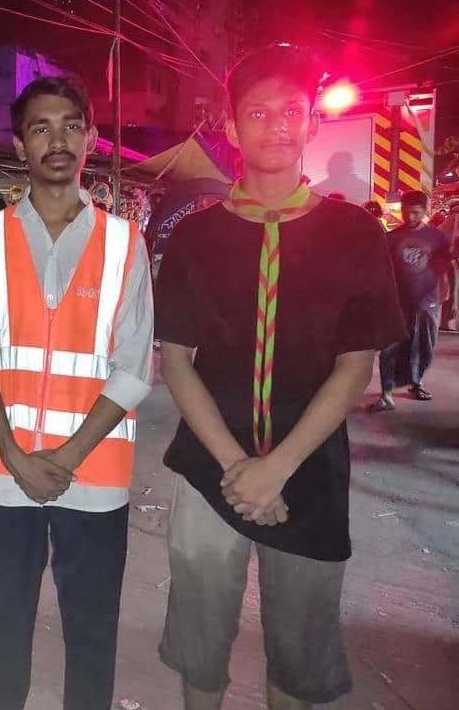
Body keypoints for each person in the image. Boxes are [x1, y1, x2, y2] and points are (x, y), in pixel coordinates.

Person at [154, 45, 406, 710]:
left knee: (297, 659)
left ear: (312, 124)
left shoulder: (354, 233)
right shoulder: (196, 237)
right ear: (232, 129)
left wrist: (278, 468)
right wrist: (240, 468)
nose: (276, 126)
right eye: (258, 113)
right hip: (208, 473)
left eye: (291, 111)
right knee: (201, 650)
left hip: (310, 476)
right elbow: (175, 359)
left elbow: (355, 365)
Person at [0, 76, 154, 710]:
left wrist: (64, 458)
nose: (58, 140)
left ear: (91, 137)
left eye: (70, 125)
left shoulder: (124, 242)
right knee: (4, 625)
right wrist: (17, 459)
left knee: (91, 633)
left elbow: (134, 368)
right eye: (41, 128)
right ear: (20, 145)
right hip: (2, 474)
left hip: (93, 475)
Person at [370, 190, 454, 410]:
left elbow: (446, 268)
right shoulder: (392, 238)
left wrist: (448, 295)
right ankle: (386, 394)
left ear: (425, 211)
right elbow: (383, 270)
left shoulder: (438, 238)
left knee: (423, 345)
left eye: (416, 213)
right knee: (391, 347)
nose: (410, 217)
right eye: (406, 212)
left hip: (428, 301)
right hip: (398, 302)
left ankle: (417, 383)